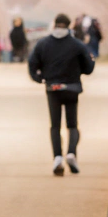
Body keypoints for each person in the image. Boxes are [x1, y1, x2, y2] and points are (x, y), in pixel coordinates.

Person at [27, 13, 96, 176]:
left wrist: (39, 79)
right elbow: (88, 68)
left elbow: (32, 63)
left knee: (55, 126)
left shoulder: (43, 44)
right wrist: (89, 63)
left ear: (55, 24)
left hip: (53, 88)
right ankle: (71, 153)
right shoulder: (77, 45)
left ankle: (57, 157)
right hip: (72, 88)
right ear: (69, 25)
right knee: (72, 125)